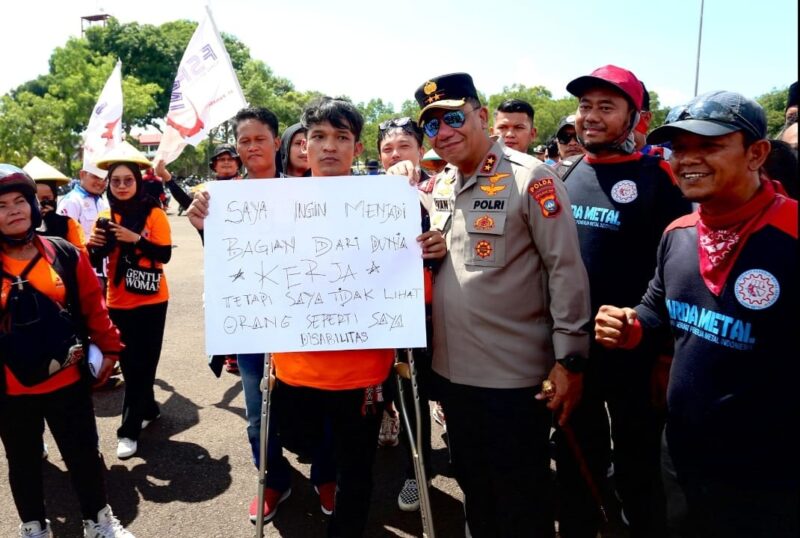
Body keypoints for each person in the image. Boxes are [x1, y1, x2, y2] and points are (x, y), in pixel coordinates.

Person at [391, 72, 590, 537]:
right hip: (453, 376)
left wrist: (571, 361)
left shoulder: (530, 178)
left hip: (513, 379)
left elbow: (566, 271)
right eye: (433, 126)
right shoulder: (440, 186)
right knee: (475, 491)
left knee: (522, 499)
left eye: (455, 117)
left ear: (482, 116)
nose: (445, 131)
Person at [595, 90, 798, 538]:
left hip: (771, 471)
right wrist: (629, 326)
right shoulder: (678, 233)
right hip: (682, 454)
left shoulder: (793, 234)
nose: (688, 159)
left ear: (756, 153)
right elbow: (655, 311)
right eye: (679, 148)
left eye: (708, 145)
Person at [265, 96, 446, 536]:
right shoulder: (269, 203)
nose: (329, 146)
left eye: (341, 137)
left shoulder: (389, 202)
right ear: (303, 146)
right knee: (300, 443)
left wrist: (433, 253)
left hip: (363, 371)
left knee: (357, 469)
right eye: (319, 137)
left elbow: (417, 282)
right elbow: (245, 270)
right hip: (295, 369)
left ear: (357, 146)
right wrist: (204, 221)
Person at [555, 64, 692, 538]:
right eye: (585, 106)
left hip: (639, 351)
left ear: (637, 117)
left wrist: (666, 354)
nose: (590, 117)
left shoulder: (663, 178)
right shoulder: (562, 174)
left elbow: (680, 270)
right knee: (576, 456)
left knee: (640, 461)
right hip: (575, 352)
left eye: (606, 107)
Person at [186, 107, 337, 525]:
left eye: (259, 139)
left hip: (306, 324)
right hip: (252, 327)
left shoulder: (308, 192)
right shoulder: (221, 198)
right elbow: (223, 260)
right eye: (244, 141)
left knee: (320, 408)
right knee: (258, 415)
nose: (252, 147)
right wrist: (202, 225)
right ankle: (273, 480)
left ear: (278, 143)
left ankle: (327, 475)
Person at [0, 164, 134, 538]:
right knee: (23, 462)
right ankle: (34, 527)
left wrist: (110, 349)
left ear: (32, 204)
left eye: (19, 201)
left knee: (84, 455)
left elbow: (94, 306)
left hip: (67, 379)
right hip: (10, 391)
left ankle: (99, 522)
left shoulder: (64, 253)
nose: (13, 210)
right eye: (1, 205)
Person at [87, 142, 172, 460]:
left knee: (143, 364)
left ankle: (129, 429)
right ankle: (144, 412)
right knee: (132, 365)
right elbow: (98, 259)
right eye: (116, 181)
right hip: (118, 300)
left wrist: (136, 239)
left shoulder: (154, 213)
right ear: (109, 184)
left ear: (138, 182)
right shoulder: (106, 215)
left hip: (152, 300)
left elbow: (163, 254)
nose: (122, 186)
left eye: (128, 180)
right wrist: (93, 244)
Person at [376, 116, 437, 512]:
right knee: (396, 395)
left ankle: (425, 471)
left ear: (420, 151)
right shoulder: (364, 195)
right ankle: (411, 465)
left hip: (432, 316)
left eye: (404, 147)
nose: (395, 155)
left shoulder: (438, 189)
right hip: (382, 315)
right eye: (387, 149)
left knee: (427, 395)